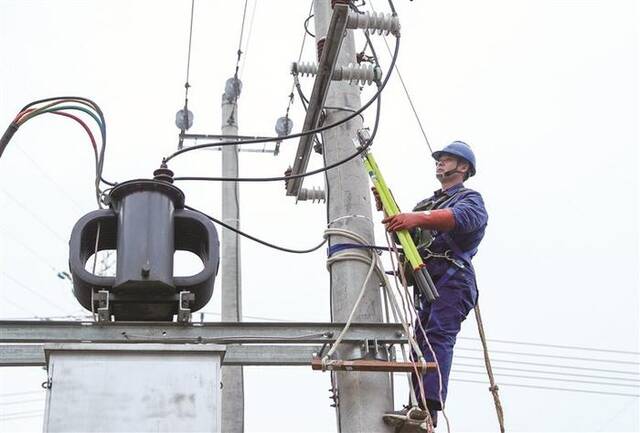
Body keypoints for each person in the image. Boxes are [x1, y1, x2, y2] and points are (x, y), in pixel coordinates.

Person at [378, 141, 488, 431]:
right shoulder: (427, 205)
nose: (439, 163)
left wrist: (415, 218)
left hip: (454, 281)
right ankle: (418, 407)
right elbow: (409, 240)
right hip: (428, 284)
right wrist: (392, 212)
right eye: (439, 159)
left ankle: (429, 407)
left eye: (447, 159)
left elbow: (463, 219)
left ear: (462, 167)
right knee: (420, 343)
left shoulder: (469, 199)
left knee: (438, 335)